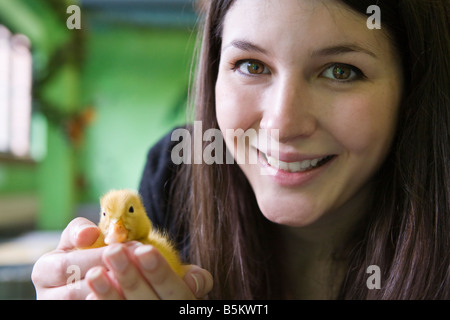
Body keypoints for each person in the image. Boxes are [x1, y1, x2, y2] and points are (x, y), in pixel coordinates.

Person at [32, 0, 449, 299]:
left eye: (341, 71)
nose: (283, 125)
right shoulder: (176, 173)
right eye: (252, 65)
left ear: (412, 89)